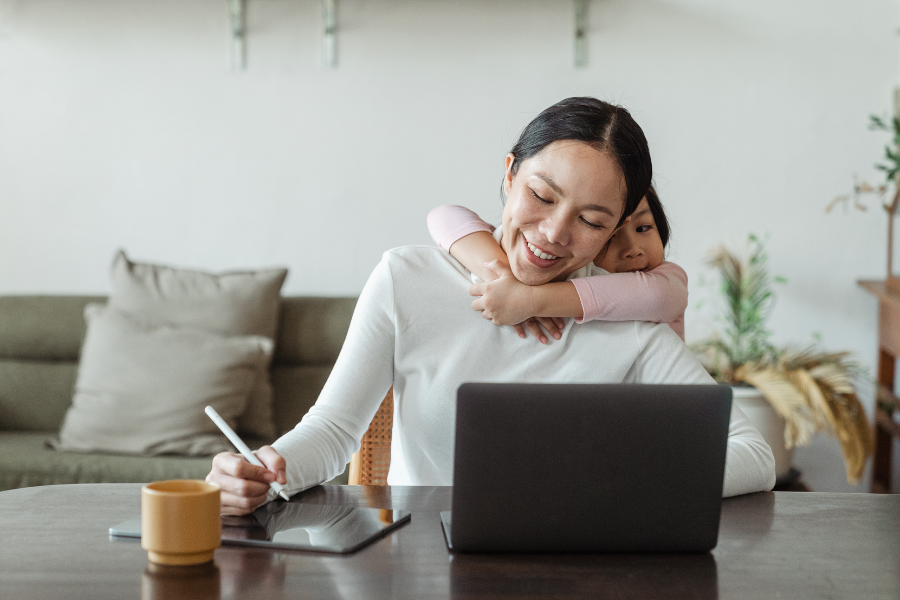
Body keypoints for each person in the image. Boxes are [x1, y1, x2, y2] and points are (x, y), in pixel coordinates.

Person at [207, 97, 776, 515]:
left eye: (592, 220)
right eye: (542, 196)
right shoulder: (407, 279)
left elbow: (754, 454)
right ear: (509, 175)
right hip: (421, 568)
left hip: (576, 572)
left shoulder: (628, 322)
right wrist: (262, 469)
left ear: (615, 231)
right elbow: (332, 432)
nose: (553, 233)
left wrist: (627, 479)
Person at [426, 184, 687, 343]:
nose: (633, 250)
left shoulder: (667, 280)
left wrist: (530, 299)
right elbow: (444, 216)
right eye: (611, 237)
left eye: (644, 228)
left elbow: (657, 297)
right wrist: (502, 279)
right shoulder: (568, 271)